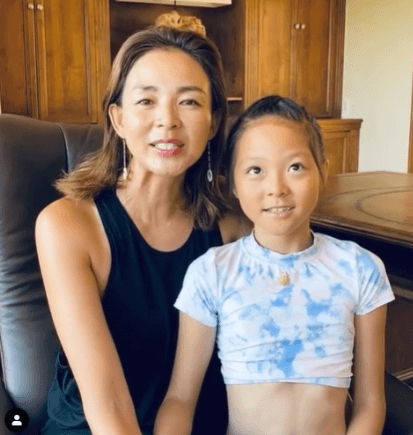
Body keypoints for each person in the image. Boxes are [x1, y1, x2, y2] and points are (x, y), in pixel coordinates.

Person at [36, 12, 252, 435]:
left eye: (189, 101)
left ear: (213, 121)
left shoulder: (233, 230)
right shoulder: (68, 226)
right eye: (146, 101)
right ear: (118, 118)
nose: (167, 120)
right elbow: (108, 403)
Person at [154, 95, 396, 435]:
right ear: (233, 184)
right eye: (256, 170)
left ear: (323, 171)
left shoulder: (360, 269)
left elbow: (370, 403)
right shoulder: (212, 273)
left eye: (295, 167)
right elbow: (180, 400)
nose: (277, 189)